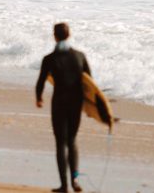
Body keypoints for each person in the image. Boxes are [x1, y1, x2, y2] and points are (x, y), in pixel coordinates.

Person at [35, 23, 90, 193]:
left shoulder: (49, 59)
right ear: (69, 35)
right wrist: (91, 107)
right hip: (76, 103)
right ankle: (75, 181)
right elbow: (89, 83)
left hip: (59, 103)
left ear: (55, 36)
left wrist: (39, 98)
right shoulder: (80, 56)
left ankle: (64, 185)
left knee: (60, 143)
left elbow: (41, 81)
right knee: (72, 141)